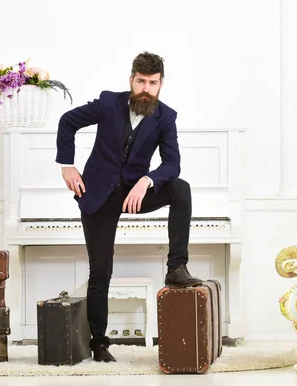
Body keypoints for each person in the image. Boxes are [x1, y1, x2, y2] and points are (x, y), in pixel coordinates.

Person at [55, 52, 203, 362]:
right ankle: (99, 343)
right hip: (98, 193)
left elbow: (172, 163)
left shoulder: (166, 116)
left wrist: (147, 180)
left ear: (161, 84)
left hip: (135, 192)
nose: (146, 89)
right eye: (141, 82)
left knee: (180, 189)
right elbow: (67, 122)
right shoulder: (109, 103)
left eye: (153, 83)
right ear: (131, 80)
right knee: (101, 271)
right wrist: (67, 165)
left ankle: (176, 267)